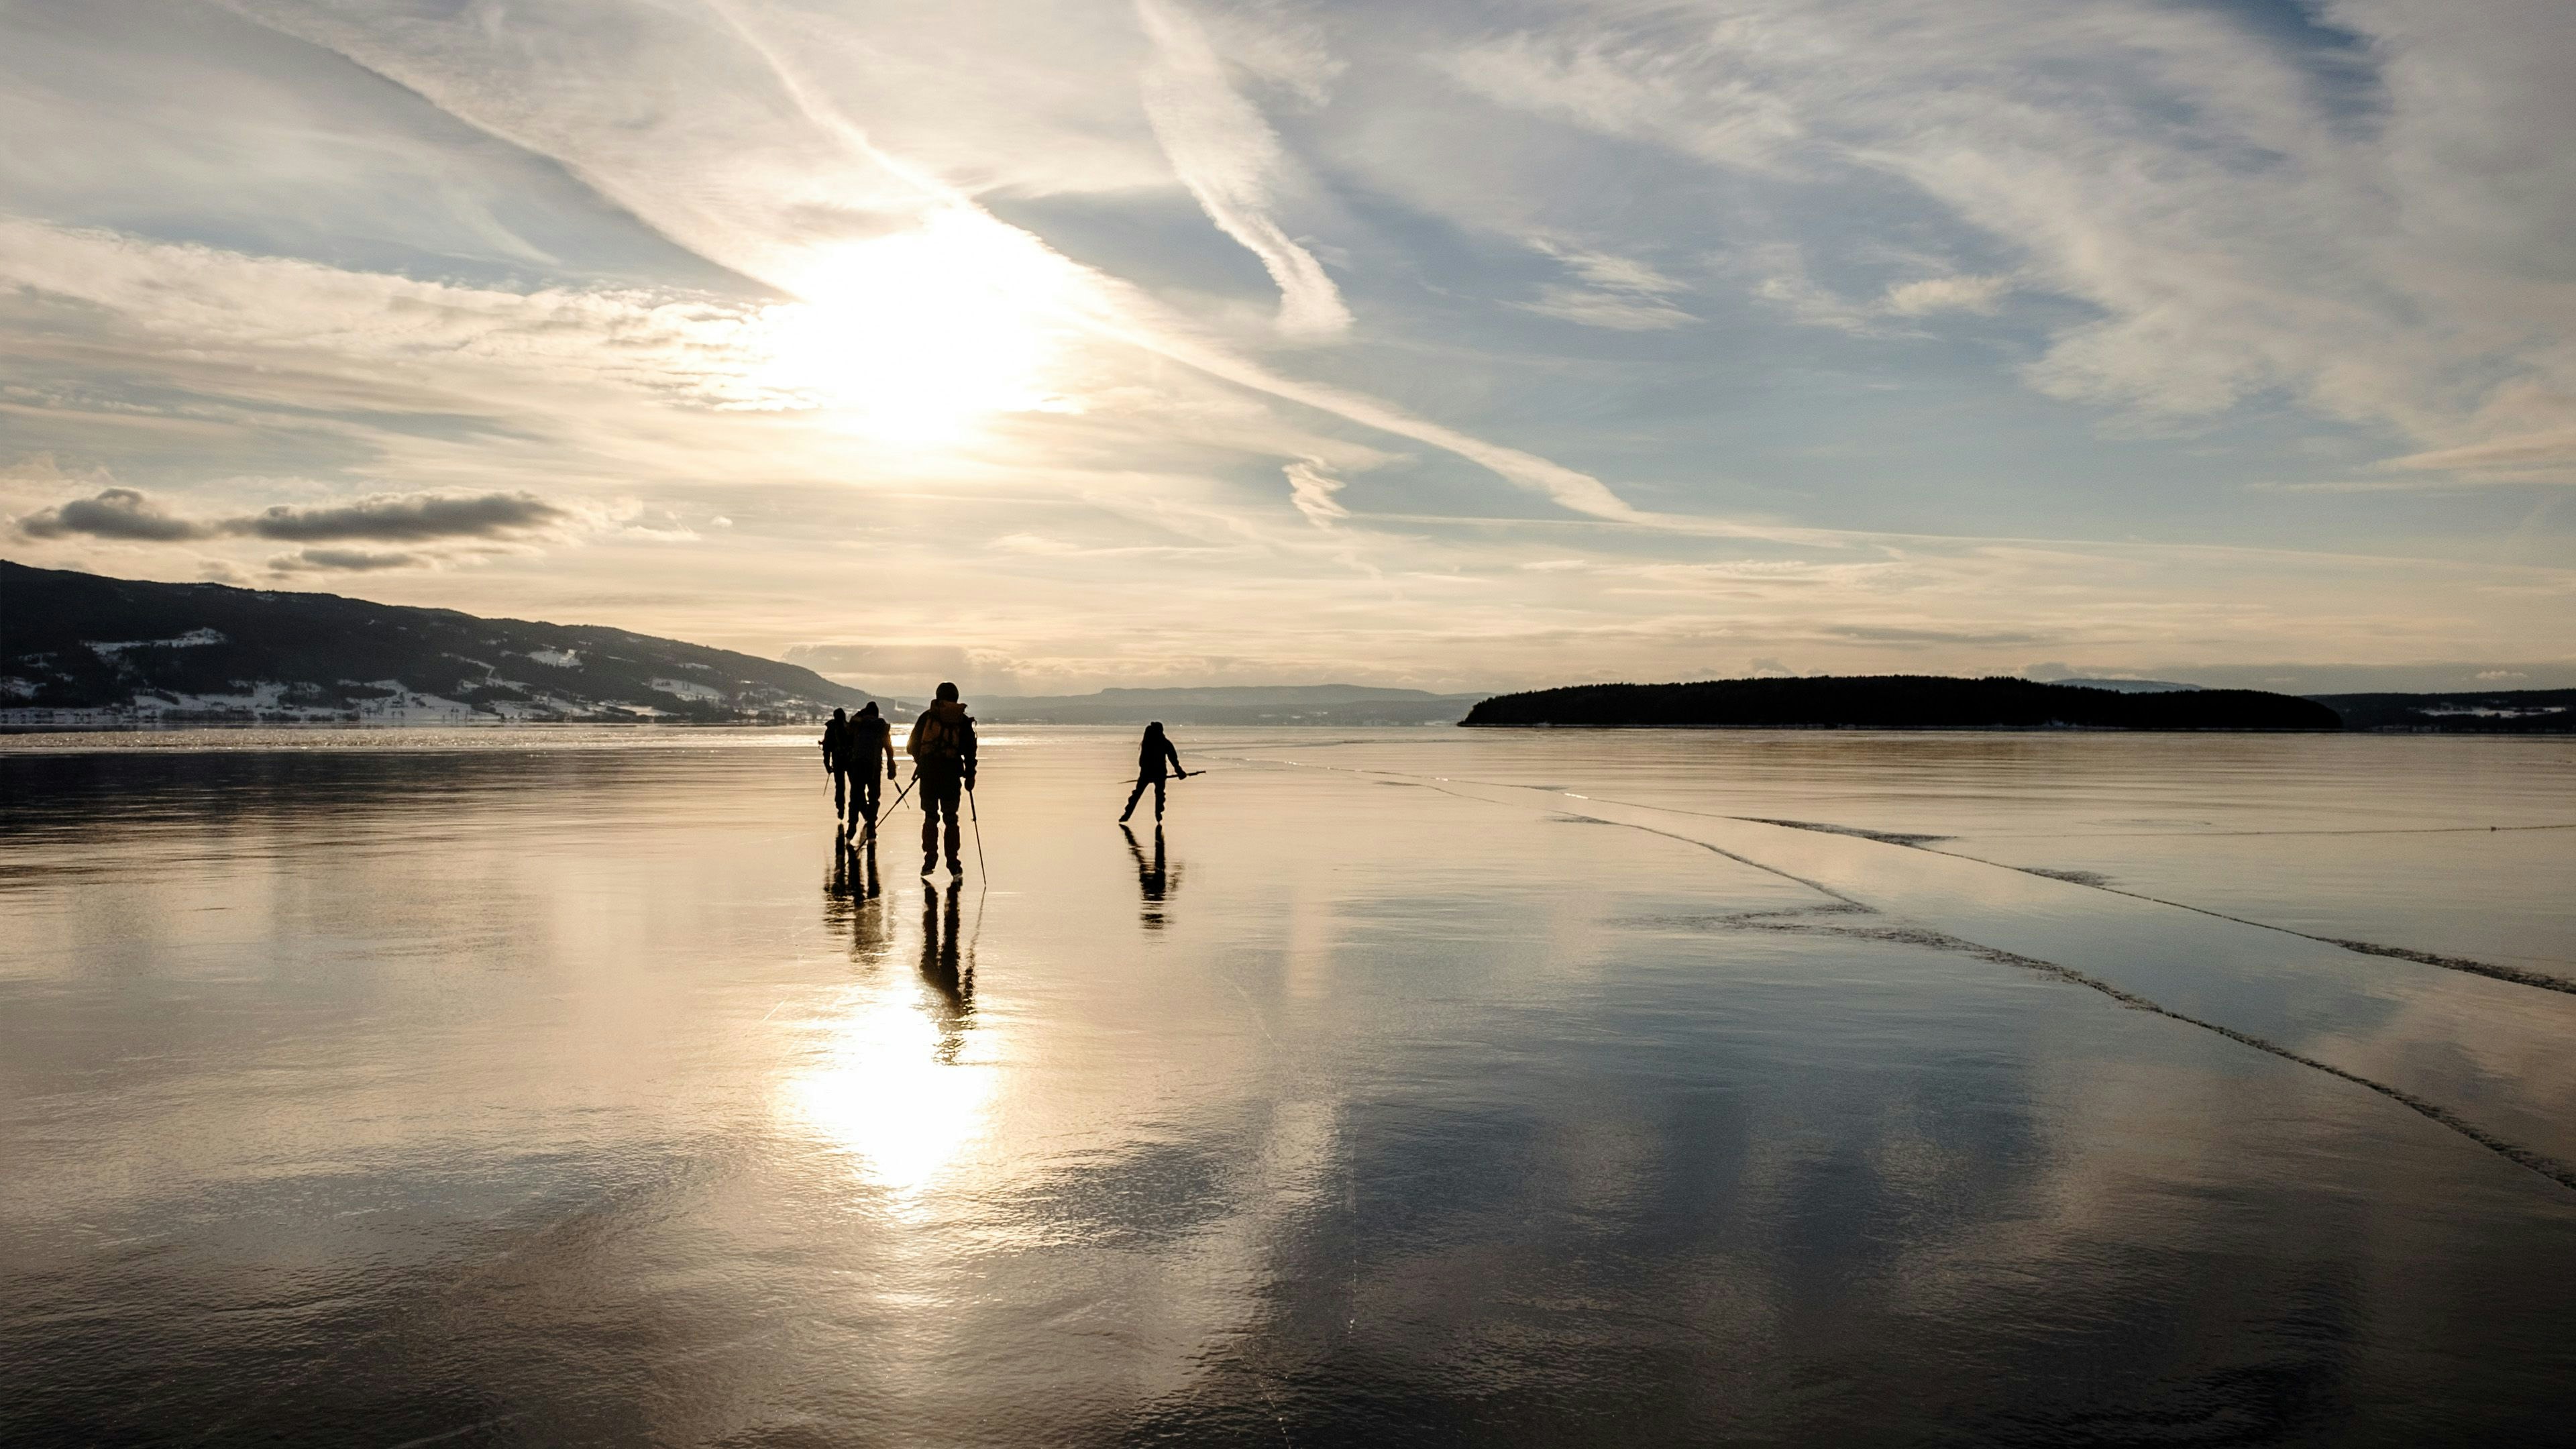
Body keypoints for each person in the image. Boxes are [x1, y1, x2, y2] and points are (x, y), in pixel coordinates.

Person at [906, 682, 978, 877]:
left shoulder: (927, 717)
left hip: (929, 776)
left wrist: (922, 762)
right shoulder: (962, 720)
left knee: (930, 816)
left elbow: (911, 746)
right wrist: (970, 775)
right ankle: (953, 863)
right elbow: (970, 751)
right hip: (951, 776)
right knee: (951, 818)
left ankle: (929, 860)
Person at [1119, 720, 1188, 823]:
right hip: (1159, 773)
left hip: (1147, 773)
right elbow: (1173, 759)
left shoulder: (1147, 742)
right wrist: (1180, 772)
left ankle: (1127, 814)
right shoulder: (1164, 742)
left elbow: (1142, 761)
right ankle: (1158, 815)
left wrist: (1179, 771)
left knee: (1138, 794)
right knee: (1159, 795)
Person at [847, 700, 898, 835]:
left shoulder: (859, 724)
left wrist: (860, 713)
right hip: (874, 767)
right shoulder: (881, 726)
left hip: (858, 765)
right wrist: (891, 766)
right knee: (874, 797)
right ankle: (871, 827)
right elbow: (888, 748)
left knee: (855, 796)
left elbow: (848, 731)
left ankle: (852, 826)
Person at [818, 706, 853, 828]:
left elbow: (827, 749)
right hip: (850, 761)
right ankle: (860, 810)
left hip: (838, 761)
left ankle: (840, 809)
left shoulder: (831, 729)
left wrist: (827, 765)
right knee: (855, 786)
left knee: (840, 786)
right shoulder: (849, 728)